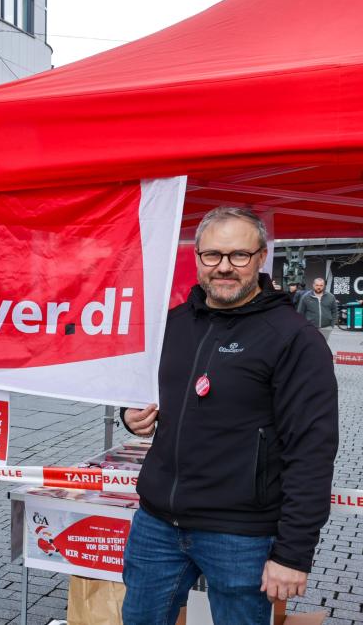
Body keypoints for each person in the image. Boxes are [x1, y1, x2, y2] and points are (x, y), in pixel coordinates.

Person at [121, 207, 338, 625]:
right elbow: (143, 395)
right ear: (197, 257)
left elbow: (312, 452)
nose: (224, 267)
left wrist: (293, 553)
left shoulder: (295, 339)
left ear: (261, 258)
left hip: (241, 535)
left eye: (238, 255)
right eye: (212, 255)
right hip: (157, 524)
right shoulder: (172, 326)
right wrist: (133, 416)